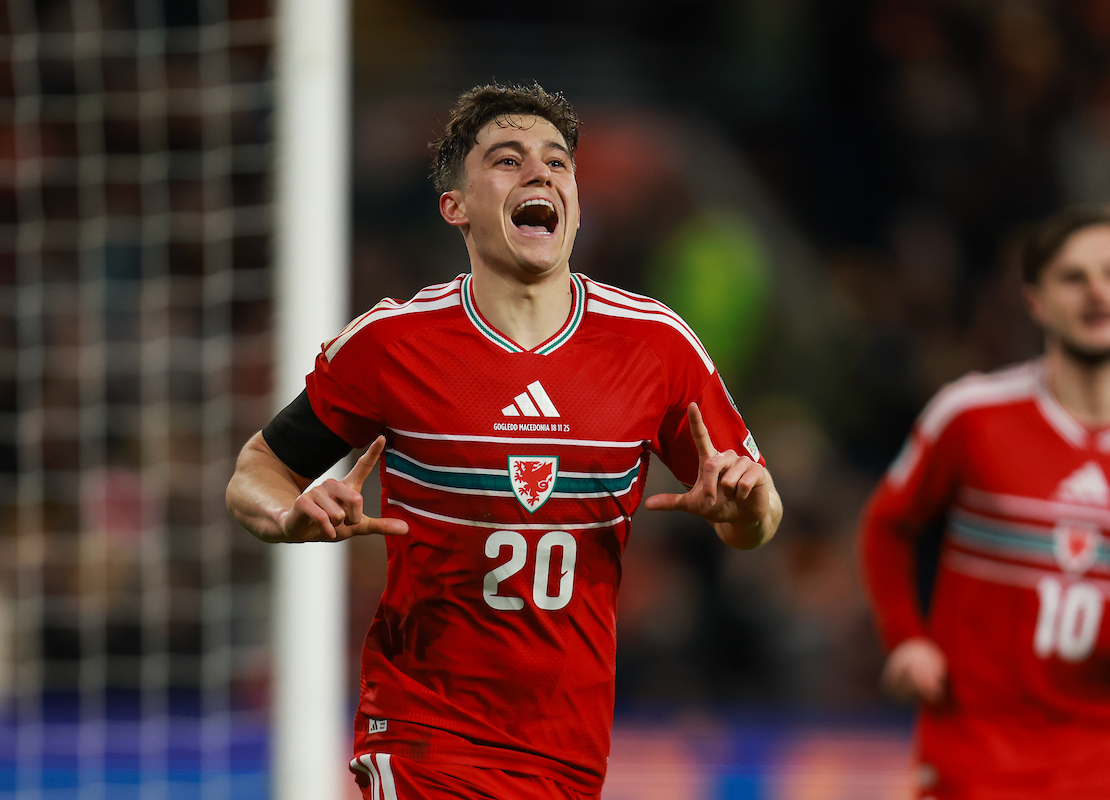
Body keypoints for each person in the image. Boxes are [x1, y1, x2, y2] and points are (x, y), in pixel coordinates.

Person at [226, 83, 782, 800]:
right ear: (454, 206)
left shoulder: (656, 345)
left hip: (568, 749)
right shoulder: (393, 343)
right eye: (508, 160)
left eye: (557, 162)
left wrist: (744, 508)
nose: (539, 174)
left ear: (575, 201)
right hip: (424, 735)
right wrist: (287, 515)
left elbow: (757, 517)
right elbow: (258, 469)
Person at [858, 204, 1110, 799]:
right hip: (972, 756)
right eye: (1073, 277)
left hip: (1103, 766)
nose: (1096, 292)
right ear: (1036, 301)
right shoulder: (971, 417)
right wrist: (905, 636)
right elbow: (887, 525)